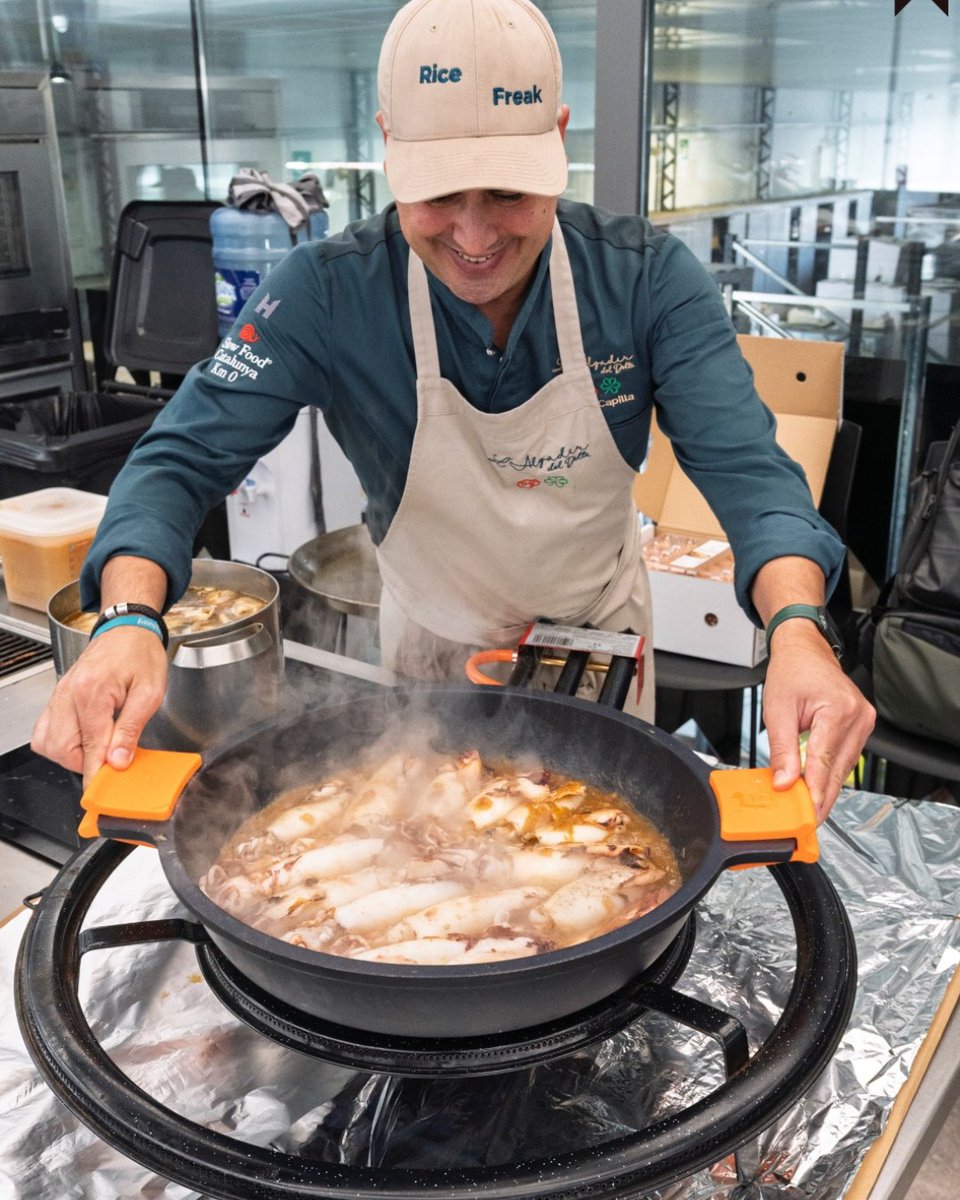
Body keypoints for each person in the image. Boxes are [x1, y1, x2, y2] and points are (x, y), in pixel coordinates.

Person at [32, 0, 874, 821]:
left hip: (601, 651)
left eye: (509, 193)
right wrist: (131, 618)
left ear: (560, 137)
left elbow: (750, 474)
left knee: (607, 860)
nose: (475, 240)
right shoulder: (329, 293)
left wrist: (798, 627)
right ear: (389, 144)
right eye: (438, 197)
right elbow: (181, 461)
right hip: (426, 665)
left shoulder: (647, 282)